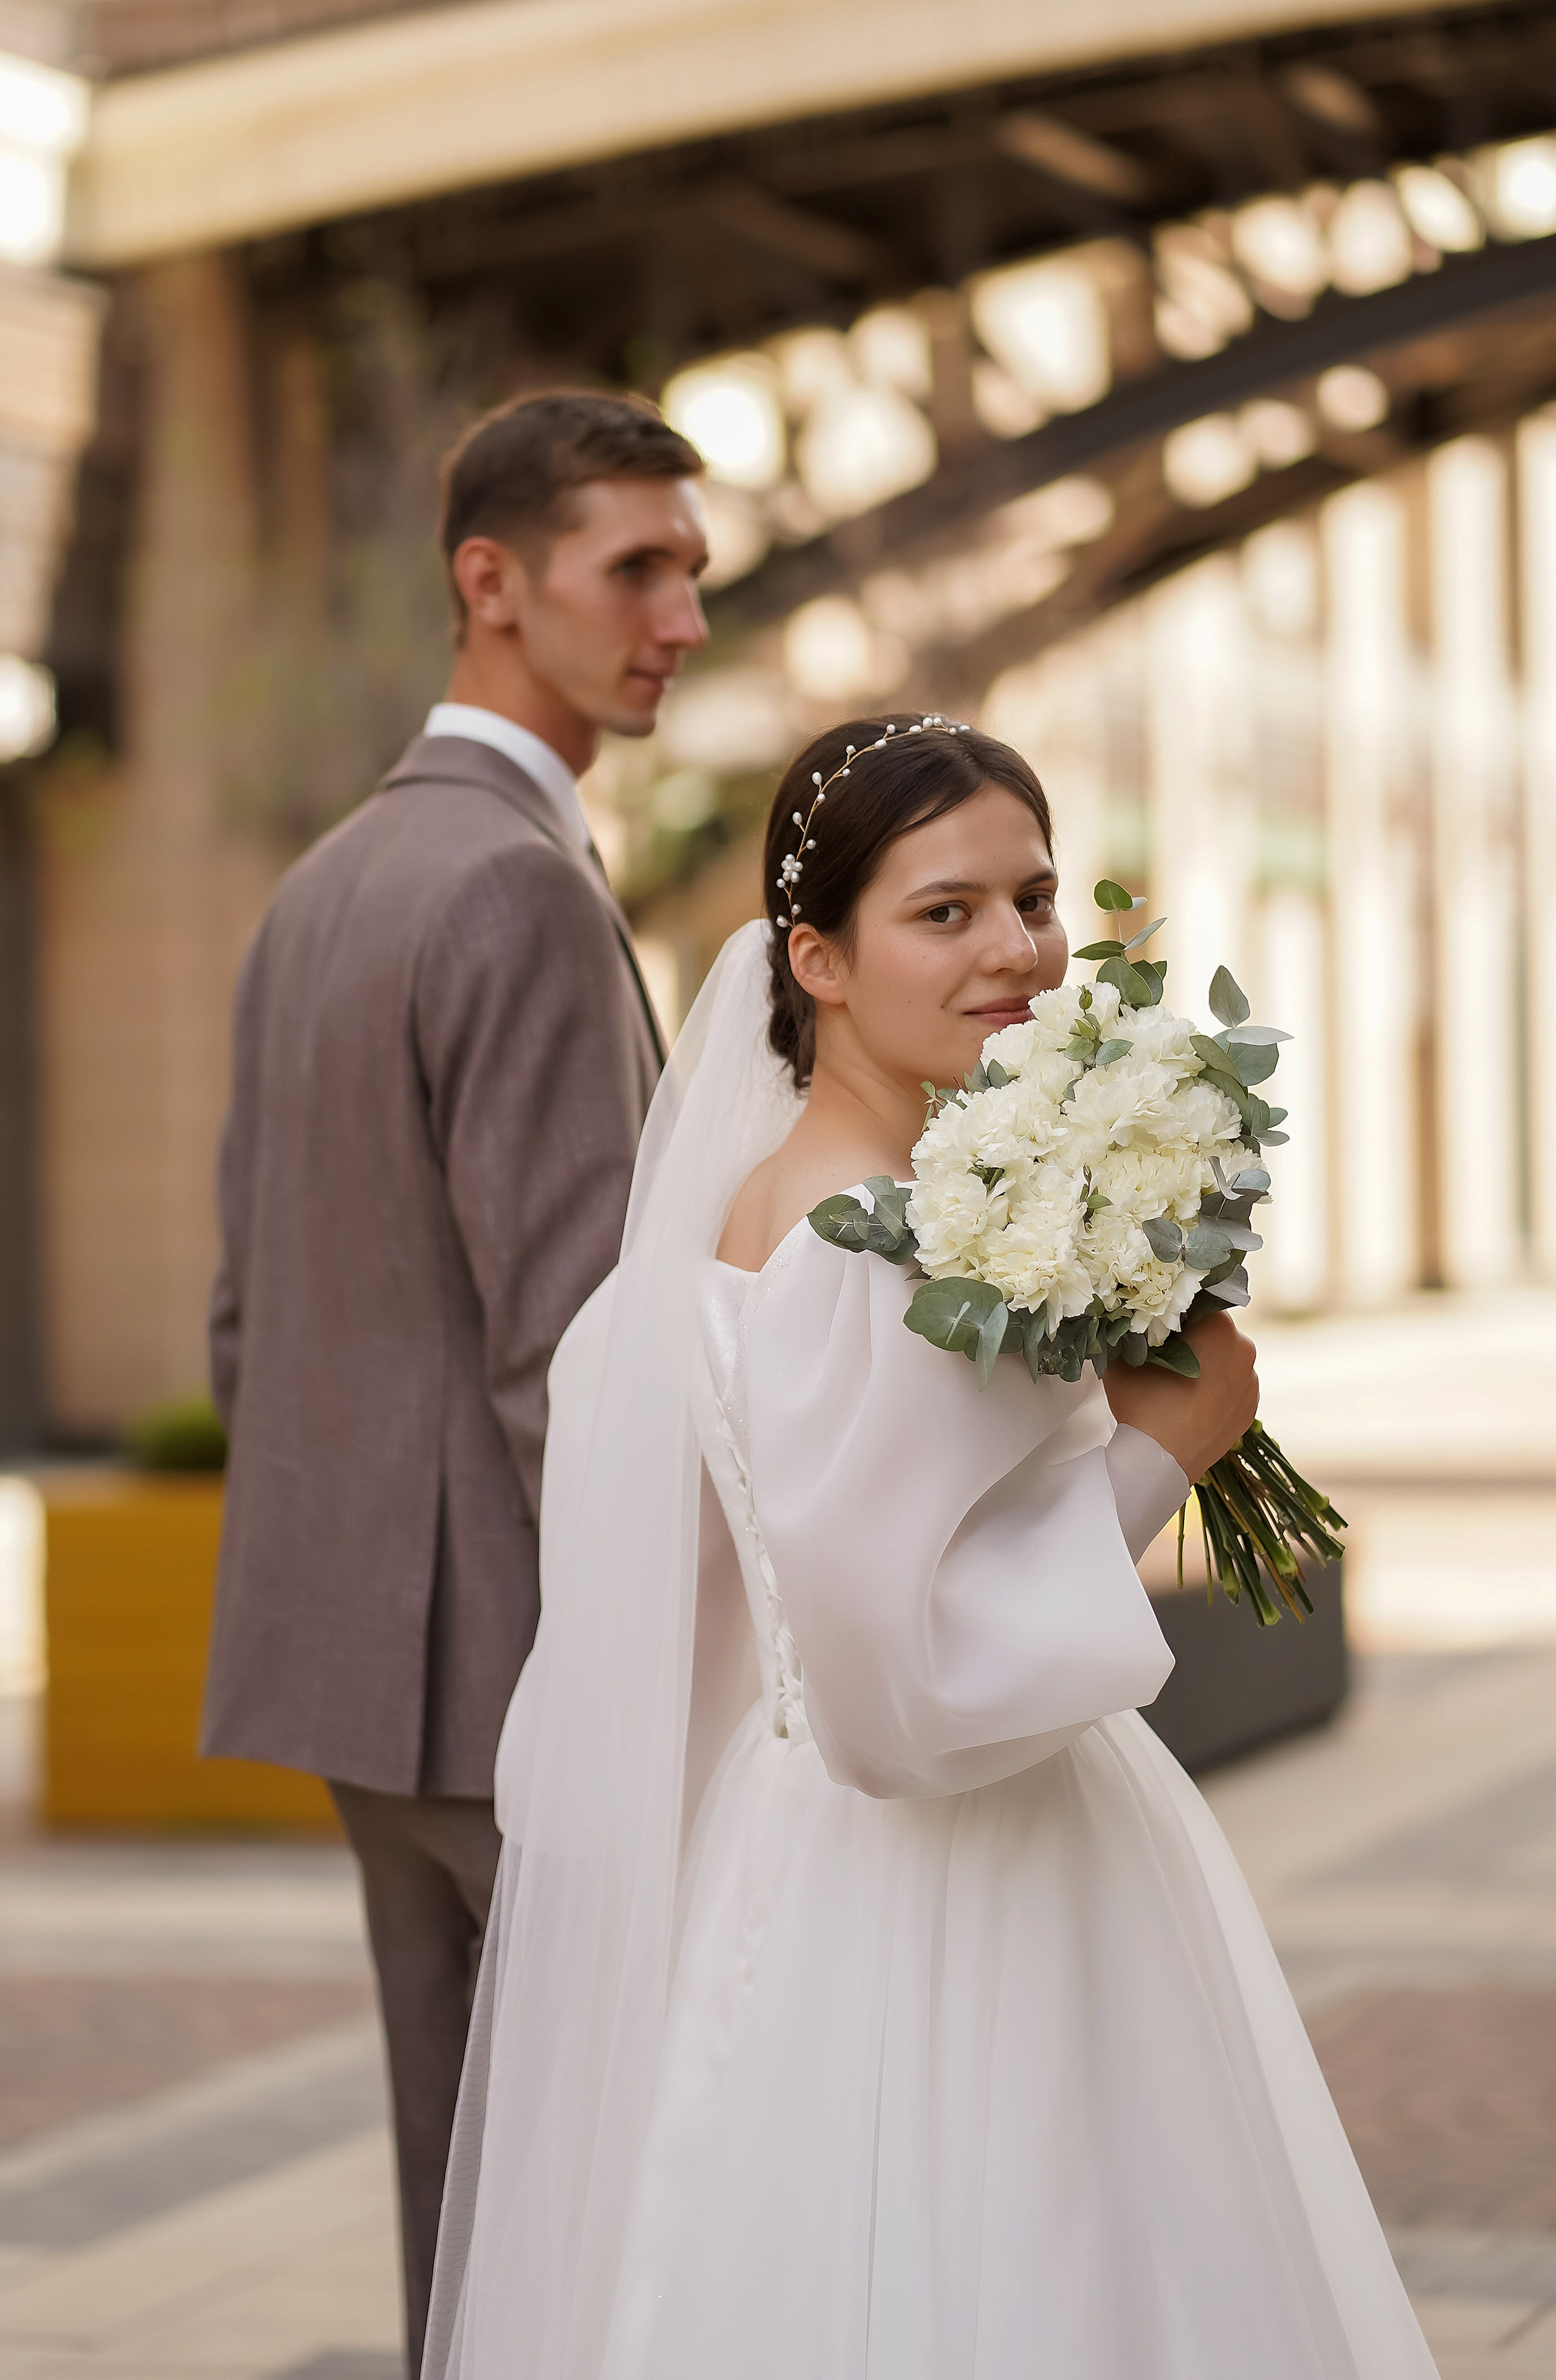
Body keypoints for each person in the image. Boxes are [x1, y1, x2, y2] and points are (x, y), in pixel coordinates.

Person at [422, 709, 1439, 2379]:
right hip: (928, 1868)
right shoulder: (857, 1247)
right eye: (945, 912)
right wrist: (1167, 1449)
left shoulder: (892, 1193)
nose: (1019, 949)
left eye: (1033, 897)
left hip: (845, 1840)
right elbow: (896, 1675)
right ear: (816, 957)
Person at [201, 390, 708, 2376]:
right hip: (521, 1687)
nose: (675, 617)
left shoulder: (321, 883)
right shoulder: (514, 886)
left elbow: (249, 1317)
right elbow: (570, 1347)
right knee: (633, 2164)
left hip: (360, 1678)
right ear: (490, 582)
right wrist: (675, 1661)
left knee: (471, 2186)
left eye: (692, 573)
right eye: (633, 568)